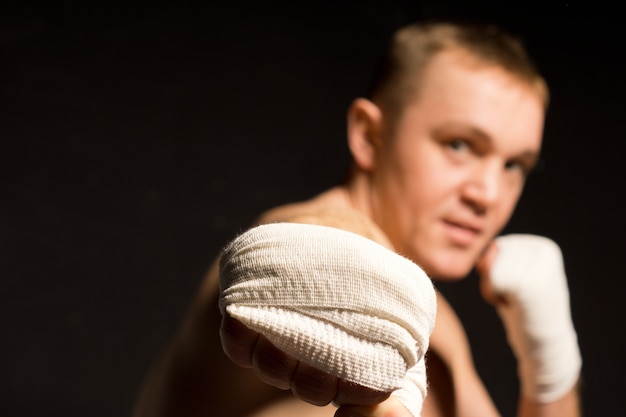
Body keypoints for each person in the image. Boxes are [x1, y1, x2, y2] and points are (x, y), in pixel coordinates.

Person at [133, 21, 582, 417]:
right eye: (460, 145)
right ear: (368, 135)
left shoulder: (433, 322)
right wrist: (347, 282)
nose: (487, 194)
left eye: (513, 166)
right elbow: (317, 241)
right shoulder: (306, 238)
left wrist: (550, 364)